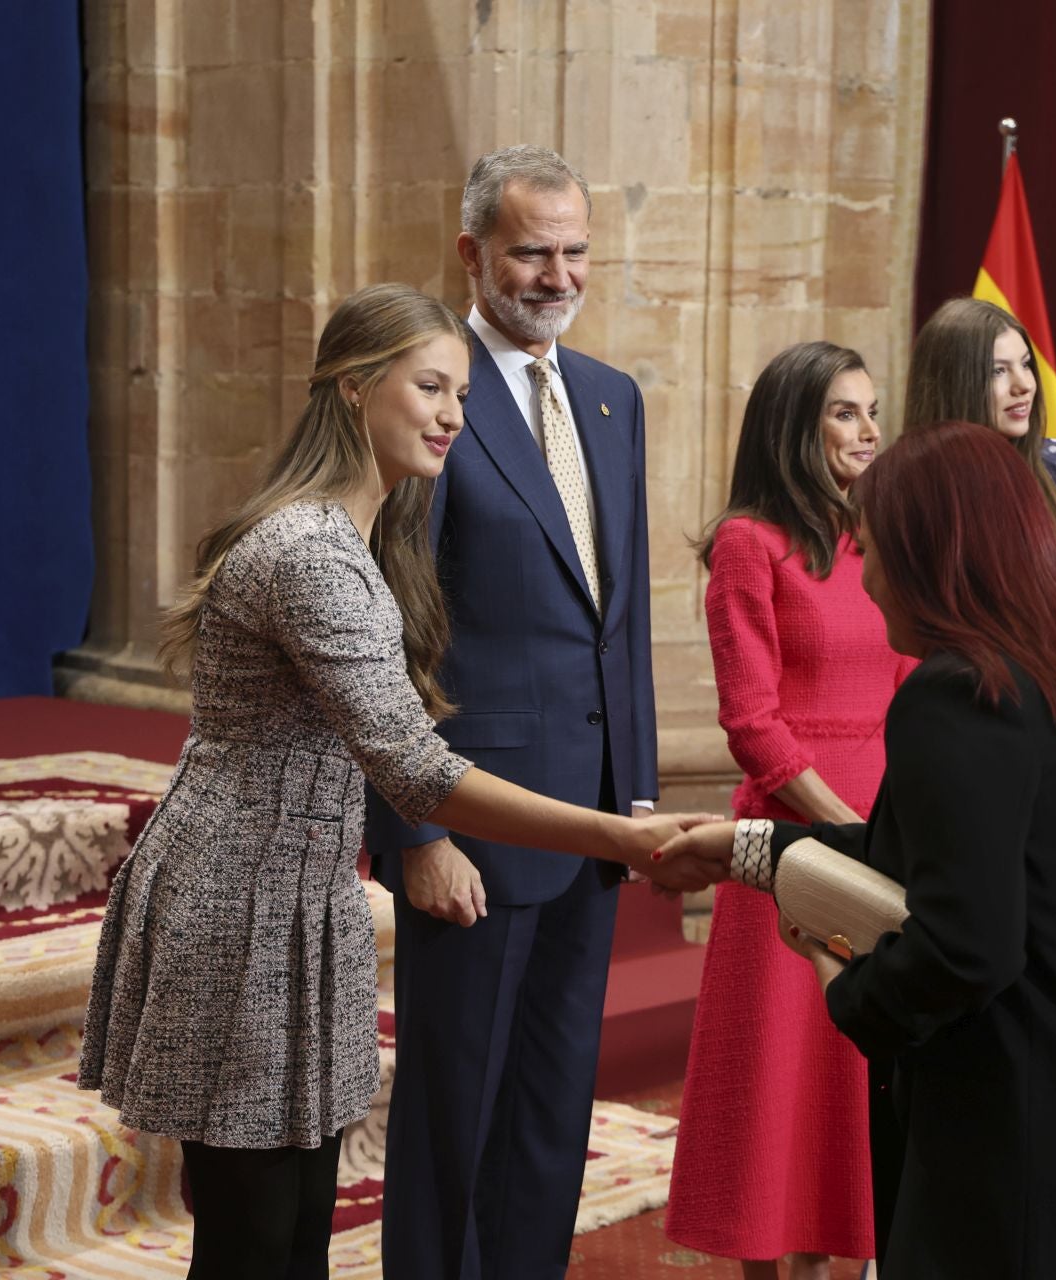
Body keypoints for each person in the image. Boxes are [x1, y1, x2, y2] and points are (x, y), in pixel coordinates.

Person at [77, 283, 717, 1280]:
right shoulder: (310, 552)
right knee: (252, 1244)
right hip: (238, 904)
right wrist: (619, 835)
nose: (453, 414)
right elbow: (417, 767)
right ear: (350, 388)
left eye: (460, 391)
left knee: (295, 1240)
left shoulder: (367, 539)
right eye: (429, 386)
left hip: (304, 903)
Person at [659, 422, 1056, 1278]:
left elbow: (966, 946)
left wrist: (845, 988)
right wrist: (740, 850)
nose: (872, 581)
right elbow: (925, 850)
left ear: (933, 554)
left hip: (1031, 1160)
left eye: (879, 549)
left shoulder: (957, 695)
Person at [362, 146, 660, 1279]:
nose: (556, 272)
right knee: (453, 1118)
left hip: (587, 828)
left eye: (575, 249)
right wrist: (416, 833)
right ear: (472, 251)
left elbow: (615, 618)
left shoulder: (610, 396)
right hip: (474, 830)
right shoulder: (432, 394)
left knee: (548, 1115)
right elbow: (396, 634)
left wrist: (632, 799)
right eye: (531, 249)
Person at [666, 342, 907, 1279]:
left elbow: (913, 687)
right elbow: (753, 724)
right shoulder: (747, 542)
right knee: (781, 1089)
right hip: (794, 845)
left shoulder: (877, 537)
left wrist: (904, 829)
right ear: (792, 428)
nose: (870, 430)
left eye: (872, 410)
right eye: (844, 413)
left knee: (859, 1081)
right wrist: (846, 834)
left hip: (886, 829)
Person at [903, 297, 1056, 690]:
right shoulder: (906, 488)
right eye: (999, 370)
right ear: (954, 380)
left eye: (1026, 364)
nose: (1024, 385)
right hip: (962, 716)